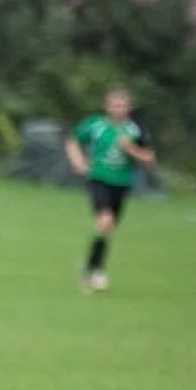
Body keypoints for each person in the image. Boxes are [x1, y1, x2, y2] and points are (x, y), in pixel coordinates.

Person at [64, 87, 156, 292]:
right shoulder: (96, 125)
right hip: (99, 179)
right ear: (106, 106)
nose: (118, 108)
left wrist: (130, 149)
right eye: (114, 104)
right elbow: (72, 140)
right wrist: (78, 161)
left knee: (107, 228)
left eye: (122, 104)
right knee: (104, 221)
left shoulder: (135, 131)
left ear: (129, 108)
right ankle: (94, 272)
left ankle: (91, 266)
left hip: (121, 183)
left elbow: (149, 160)